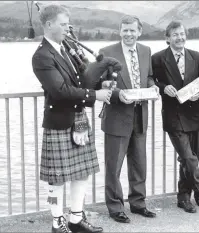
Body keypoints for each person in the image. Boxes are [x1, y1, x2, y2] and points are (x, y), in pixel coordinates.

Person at [32, 4, 122, 233]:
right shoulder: (42, 56)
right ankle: (57, 222)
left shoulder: (66, 49)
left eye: (67, 24)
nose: (67, 29)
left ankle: (76, 219)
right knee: (57, 178)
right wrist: (96, 95)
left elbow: (80, 82)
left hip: (78, 118)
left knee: (82, 172)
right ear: (49, 25)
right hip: (59, 121)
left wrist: (100, 83)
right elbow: (60, 90)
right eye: (63, 24)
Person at [98, 15, 159, 223]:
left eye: (132, 30)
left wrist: (152, 86)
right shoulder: (106, 53)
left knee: (139, 163)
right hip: (116, 116)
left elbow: (149, 76)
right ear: (119, 31)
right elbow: (99, 84)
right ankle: (115, 207)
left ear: (139, 31)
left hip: (140, 115)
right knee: (114, 166)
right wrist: (116, 95)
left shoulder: (146, 51)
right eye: (125, 30)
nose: (129, 34)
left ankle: (138, 203)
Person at [151, 20, 199, 213]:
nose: (179, 37)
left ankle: (184, 198)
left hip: (194, 114)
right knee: (189, 158)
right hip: (173, 116)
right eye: (175, 34)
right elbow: (151, 80)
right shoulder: (158, 58)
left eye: (182, 33)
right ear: (167, 38)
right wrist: (163, 87)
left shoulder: (197, 56)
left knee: (189, 159)